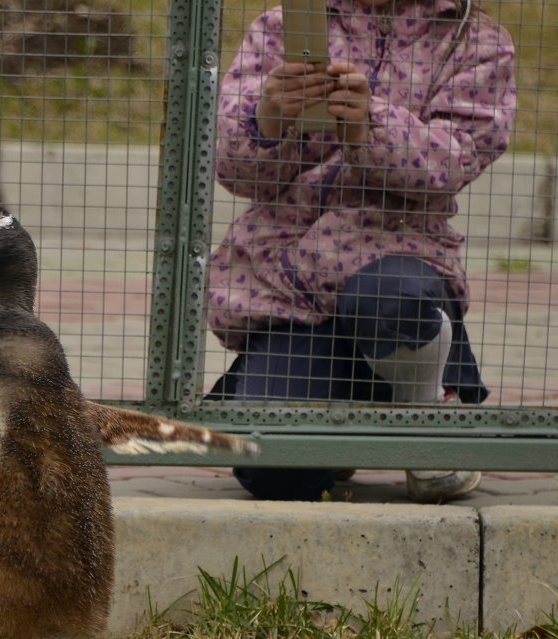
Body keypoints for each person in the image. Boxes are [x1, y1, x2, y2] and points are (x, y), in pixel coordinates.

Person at [207, 0, 517, 502]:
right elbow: (235, 171)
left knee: (391, 300)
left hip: (398, 254)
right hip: (292, 280)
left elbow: (454, 161)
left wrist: (369, 126)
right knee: (276, 475)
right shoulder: (283, 24)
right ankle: (346, 417)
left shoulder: (475, 39)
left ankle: (426, 415)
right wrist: (265, 119)